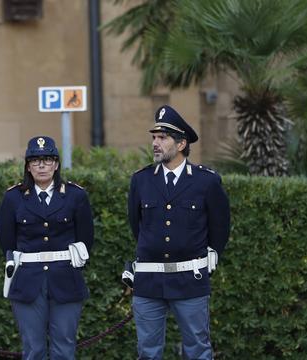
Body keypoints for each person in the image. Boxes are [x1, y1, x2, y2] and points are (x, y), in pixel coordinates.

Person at [127, 105, 231, 359]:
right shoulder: (141, 180)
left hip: (190, 280)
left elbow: (220, 225)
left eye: (163, 138)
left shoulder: (206, 181)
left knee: (197, 349)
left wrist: (212, 252)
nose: (155, 143)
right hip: (149, 281)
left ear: (181, 144)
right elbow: (136, 225)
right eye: (154, 137)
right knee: (148, 352)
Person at [0, 135, 94, 360]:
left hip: (65, 277)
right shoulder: (14, 198)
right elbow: (7, 241)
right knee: (33, 348)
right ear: (28, 167)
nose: (42, 165)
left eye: (48, 160)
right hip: (28, 280)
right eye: (35, 160)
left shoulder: (75, 195)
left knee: (64, 346)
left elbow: (86, 238)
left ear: (57, 164)